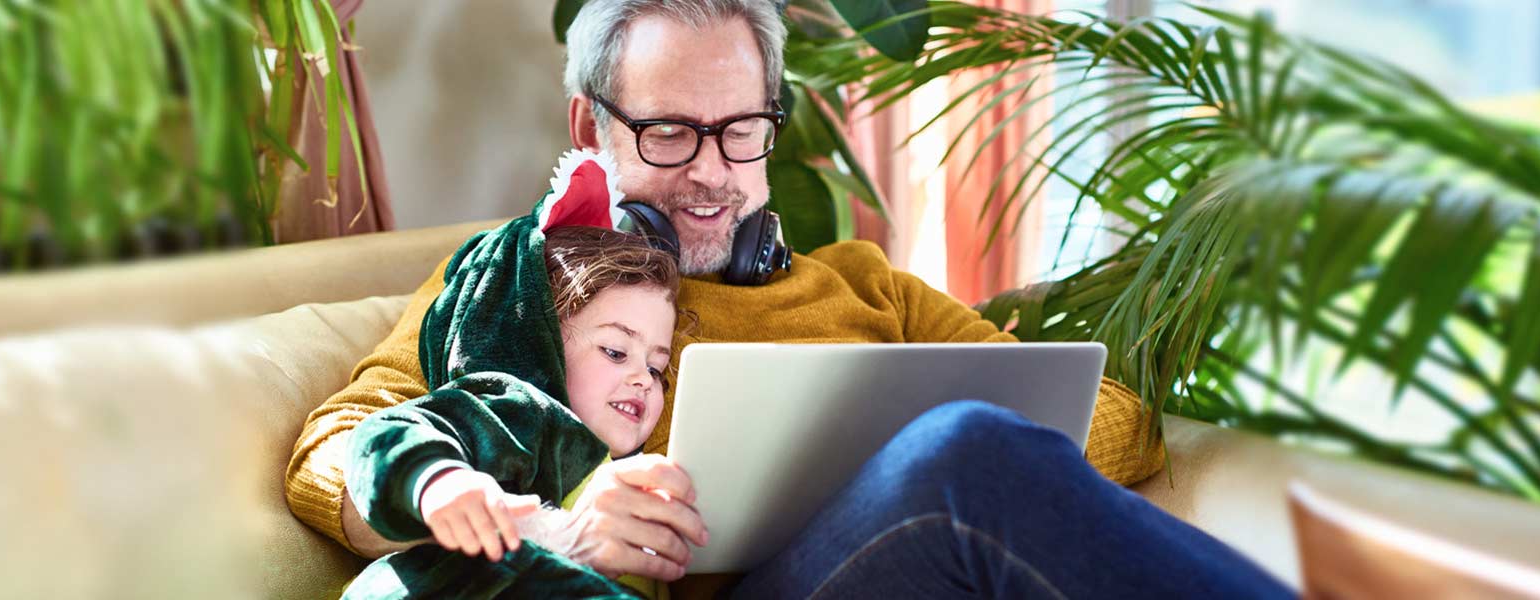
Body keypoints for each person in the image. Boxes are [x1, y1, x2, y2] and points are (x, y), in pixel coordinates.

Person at [289, 0, 1292, 597]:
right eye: (671, 133)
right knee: (963, 457)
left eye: (741, 131)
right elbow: (333, 453)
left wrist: (865, 447)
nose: (713, 173)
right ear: (589, 125)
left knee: (961, 449)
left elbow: (1120, 425)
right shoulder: (530, 279)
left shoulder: (865, 285)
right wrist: (546, 519)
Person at [340, 190, 685, 598]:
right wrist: (439, 480)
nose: (643, 379)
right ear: (543, 346)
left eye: (655, 369)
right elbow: (387, 433)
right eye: (615, 351)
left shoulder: (631, 469)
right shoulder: (516, 409)